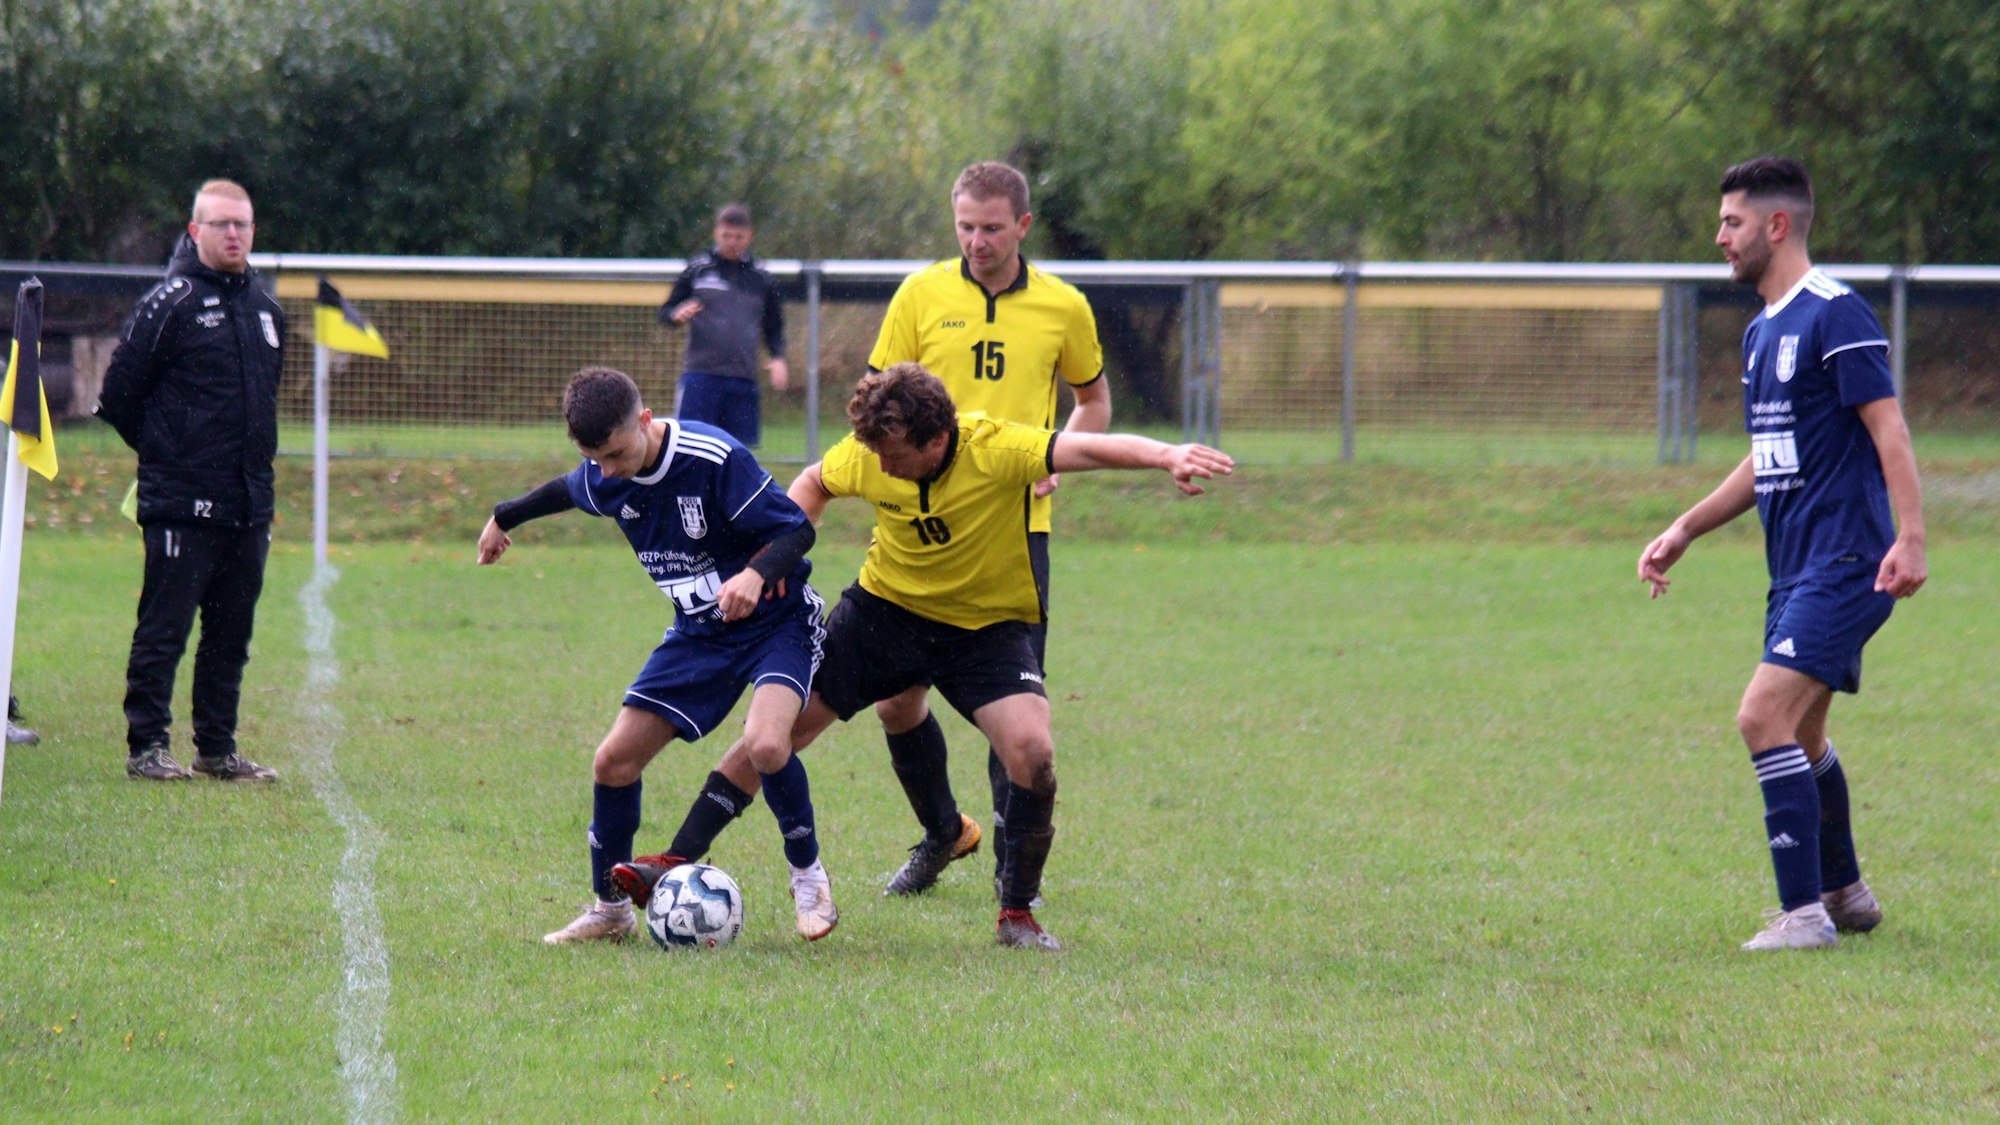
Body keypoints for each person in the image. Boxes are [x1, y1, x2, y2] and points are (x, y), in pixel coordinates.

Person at [649, 364, 1229, 951]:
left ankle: (1017, 915)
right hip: (884, 613)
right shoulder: (871, 452)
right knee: (778, 732)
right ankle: (674, 857)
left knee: (1033, 752)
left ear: (937, 441)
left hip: (984, 627)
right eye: (871, 450)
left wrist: (1166, 456)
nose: (879, 466)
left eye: (892, 453)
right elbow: (813, 482)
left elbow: (1087, 445)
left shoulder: (996, 447)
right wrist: (772, 558)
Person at [1638, 156, 1927, 951]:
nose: (1719, 236)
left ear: (1776, 225)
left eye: (1731, 222)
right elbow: (1768, 454)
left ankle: (1803, 916)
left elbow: (1888, 427)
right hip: (1796, 565)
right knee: (1801, 737)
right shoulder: (1763, 330)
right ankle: (1845, 892)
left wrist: (1910, 536)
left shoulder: (1835, 313)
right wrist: (1688, 526)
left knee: (1761, 715)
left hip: (1848, 560)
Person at [477, 366, 836, 945]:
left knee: (768, 744)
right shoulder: (605, 474)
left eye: (617, 453)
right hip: (699, 635)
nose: (608, 470)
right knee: (613, 762)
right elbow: (563, 491)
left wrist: (755, 573)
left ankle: (808, 877)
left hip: (777, 623)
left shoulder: (713, 458)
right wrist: (502, 517)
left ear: (645, 420)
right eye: (597, 459)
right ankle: (610, 911)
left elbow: (797, 532)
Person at [861, 161, 1112, 900]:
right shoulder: (921, 294)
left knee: (1018, 716)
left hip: (1011, 530)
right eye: (965, 226)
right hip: (917, 520)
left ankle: (1015, 877)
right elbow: (877, 404)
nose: (977, 240)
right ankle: (944, 831)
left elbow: (1093, 402)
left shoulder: (1064, 306)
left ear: (1023, 226)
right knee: (895, 700)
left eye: (992, 227)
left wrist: (1053, 460)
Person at [95, 179, 285, 783]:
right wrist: (168, 455)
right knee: (165, 629)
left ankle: (217, 748)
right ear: (195, 230)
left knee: (230, 635)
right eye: (222, 224)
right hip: (179, 503)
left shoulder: (267, 310)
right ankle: (147, 746)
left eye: (243, 225)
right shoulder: (168, 303)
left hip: (248, 505)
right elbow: (119, 396)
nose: (234, 234)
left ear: (254, 232)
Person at [658, 204, 789, 447]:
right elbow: (665, 311)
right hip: (701, 376)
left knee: (737, 452)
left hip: (742, 378)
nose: (732, 242)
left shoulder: (761, 278)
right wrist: (677, 314)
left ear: (749, 235)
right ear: (716, 233)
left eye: (738, 237)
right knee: (690, 448)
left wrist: (778, 357)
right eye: (726, 236)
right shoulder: (698, 270)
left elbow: (774, 324)